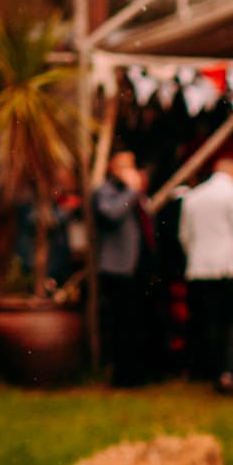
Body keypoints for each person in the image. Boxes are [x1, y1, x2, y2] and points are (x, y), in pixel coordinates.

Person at [177, 158, 233, 393]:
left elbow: (185, 236)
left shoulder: (193, 197)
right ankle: (231, 373)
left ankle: (213, 370)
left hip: (201, 269)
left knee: (212, 322)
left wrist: (196, 259)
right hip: (232, 267)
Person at [89, 151, 150, 386]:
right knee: (121, 324)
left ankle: (138, 372)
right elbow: (111, 213)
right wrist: (133, 190)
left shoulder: (133, 193)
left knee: (136, 322)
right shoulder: (106, 191)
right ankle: (123, 376)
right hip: (117, 267)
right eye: (126, 166)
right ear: (114, 169)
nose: (131, 171)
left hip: (136, 265)